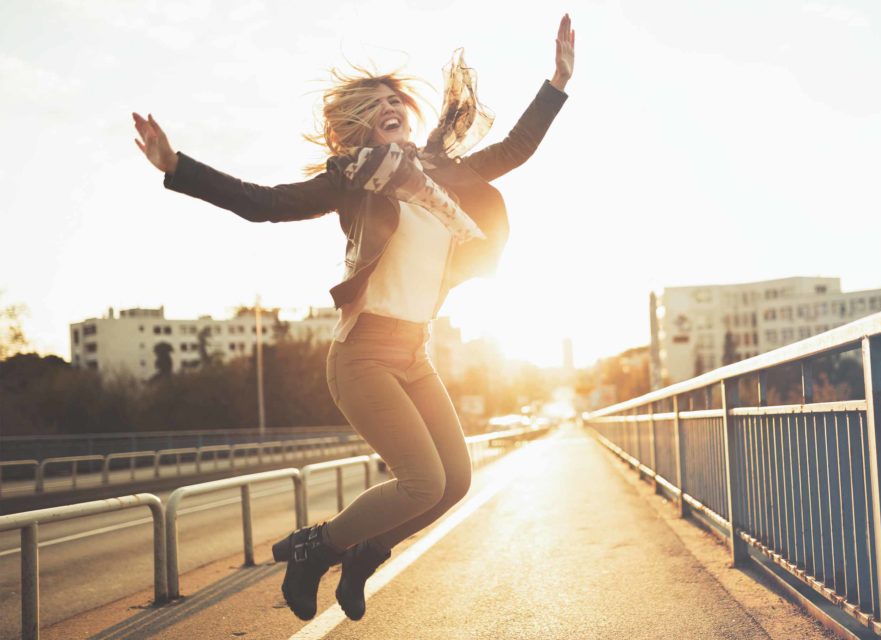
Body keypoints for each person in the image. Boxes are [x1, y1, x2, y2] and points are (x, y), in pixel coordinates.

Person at [133, 14, 574, 623]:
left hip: (415, 355)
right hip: (363, 357)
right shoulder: (352, 180)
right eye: (376, 104)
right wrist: (176, 166)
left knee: (456, 482)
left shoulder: (442, 172)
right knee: (421, 481)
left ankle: (364, 553)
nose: (392, 105)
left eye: (397, 99)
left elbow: (516, 150)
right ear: (358, 126)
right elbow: (263, 204)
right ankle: (316, 549)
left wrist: (556, 83)